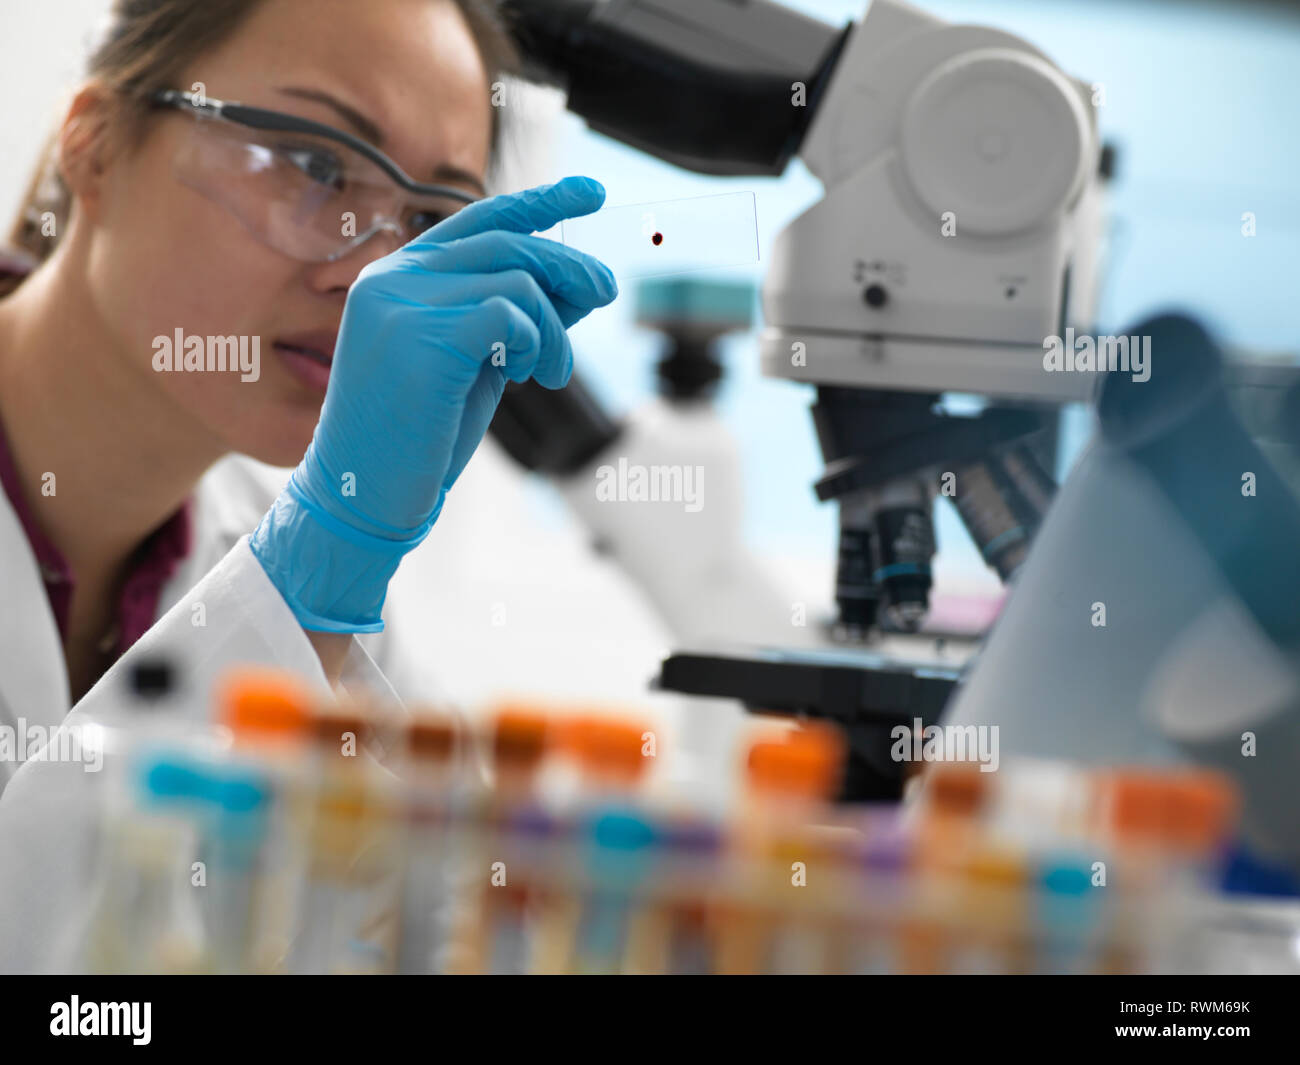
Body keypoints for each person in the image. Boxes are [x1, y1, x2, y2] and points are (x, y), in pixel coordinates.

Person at [0, 0, 617, 969]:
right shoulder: (301, 569)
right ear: (96, 143)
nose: (374, 275)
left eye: (426, 219)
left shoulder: (289, 563)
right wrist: (311, 570)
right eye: (316, 164)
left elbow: (442, 916)